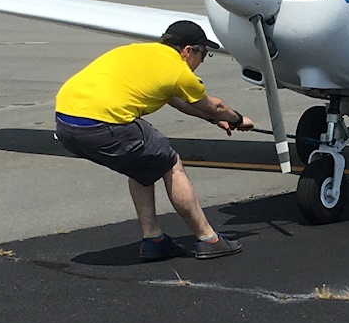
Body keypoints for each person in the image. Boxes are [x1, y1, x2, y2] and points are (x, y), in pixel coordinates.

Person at [54, 20, 253, 260]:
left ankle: (154, 240)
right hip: (104, 124)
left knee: (142, 165)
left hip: (66, 124)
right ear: (188, 51)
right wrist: (237, 118)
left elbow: (175, 98)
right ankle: (208, 238)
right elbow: (216, 105)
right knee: (171, 163)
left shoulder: (141, 52)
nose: (201, 61)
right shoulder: (178, 70)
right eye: (204, 54)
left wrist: (213, 120)